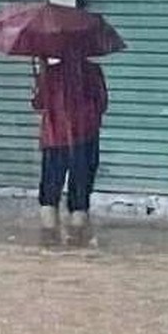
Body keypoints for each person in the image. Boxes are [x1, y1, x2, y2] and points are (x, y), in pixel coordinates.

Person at [31, 54, 108, 233]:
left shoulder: (49, 74)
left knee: (49, 194)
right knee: (80, 197)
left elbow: (38, 104)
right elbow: (102, 104)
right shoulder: (93, 72)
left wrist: (40, 73)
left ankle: (49, 243)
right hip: (85, 138)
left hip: (54, 138)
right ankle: (78, 244)